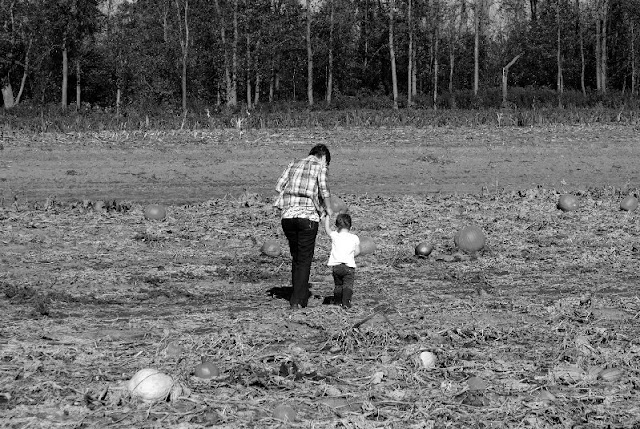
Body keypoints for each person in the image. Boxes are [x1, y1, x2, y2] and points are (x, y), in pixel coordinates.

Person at [274, 144, 334, 310]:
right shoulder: (320, 167)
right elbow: (324, 190)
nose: (326, 166)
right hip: (307, 217)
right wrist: (328, 208)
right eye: (327, 163)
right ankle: (298, 301)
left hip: (287, 217)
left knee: (296, 256)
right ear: (323, 158)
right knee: (304, 259)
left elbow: (278, 186)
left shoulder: (293, 163)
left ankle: (296, 293)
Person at [323, 213, 360, 308]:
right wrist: (350, 256)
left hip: (336, 266)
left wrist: (327, 216)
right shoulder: (354, 237)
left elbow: (327, 229)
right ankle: (346, 302)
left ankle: (337, 302)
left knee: (338, 285)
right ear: (350, 226)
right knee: (348, 285)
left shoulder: (335, 235)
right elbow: (357, 251)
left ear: (336, 226)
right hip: (349, 266)